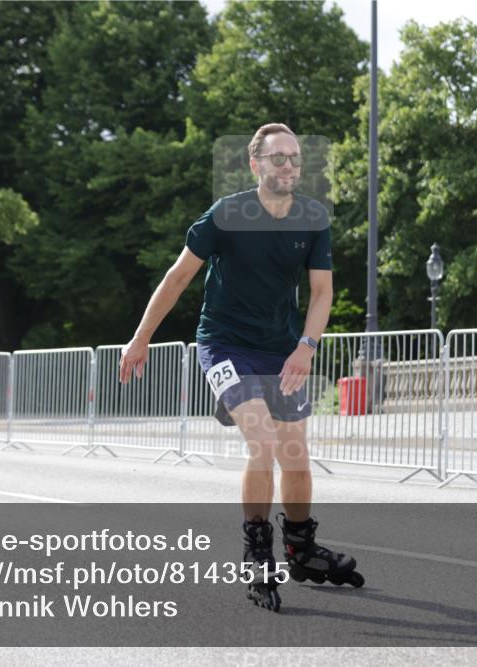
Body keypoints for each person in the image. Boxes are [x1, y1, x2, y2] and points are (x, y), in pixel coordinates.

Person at [118, 123, 363, 612]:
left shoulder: (313, 219)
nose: (289, 165)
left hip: (282, 350)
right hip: (225, 344)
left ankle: (300, 548)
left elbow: (322, 293)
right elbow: (179, 276)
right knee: (265, 443)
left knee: (296, 455)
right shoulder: (227, 214)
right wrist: (141, 337)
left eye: (295, 157)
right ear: (256, 164)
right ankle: (257, 552)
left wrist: (306, 347)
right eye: (278, 158)